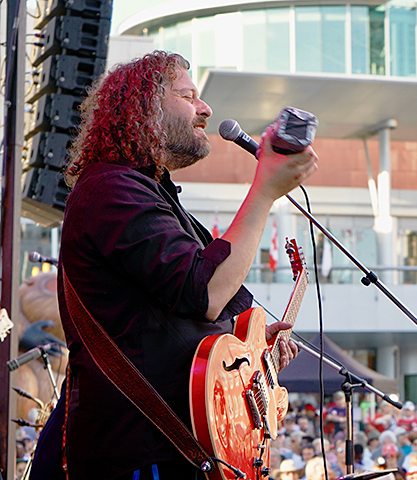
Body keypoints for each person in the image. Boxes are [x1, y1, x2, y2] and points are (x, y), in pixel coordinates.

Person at [42, 51, 318, 480]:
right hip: (136, 451)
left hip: (172, 450)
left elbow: (203, 310)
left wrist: (257, 353)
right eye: (188, 96)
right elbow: (206, 292)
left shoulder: (154, 195)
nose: (205, 108)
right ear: (145, 109)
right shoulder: (110, 190)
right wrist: (264, 191)